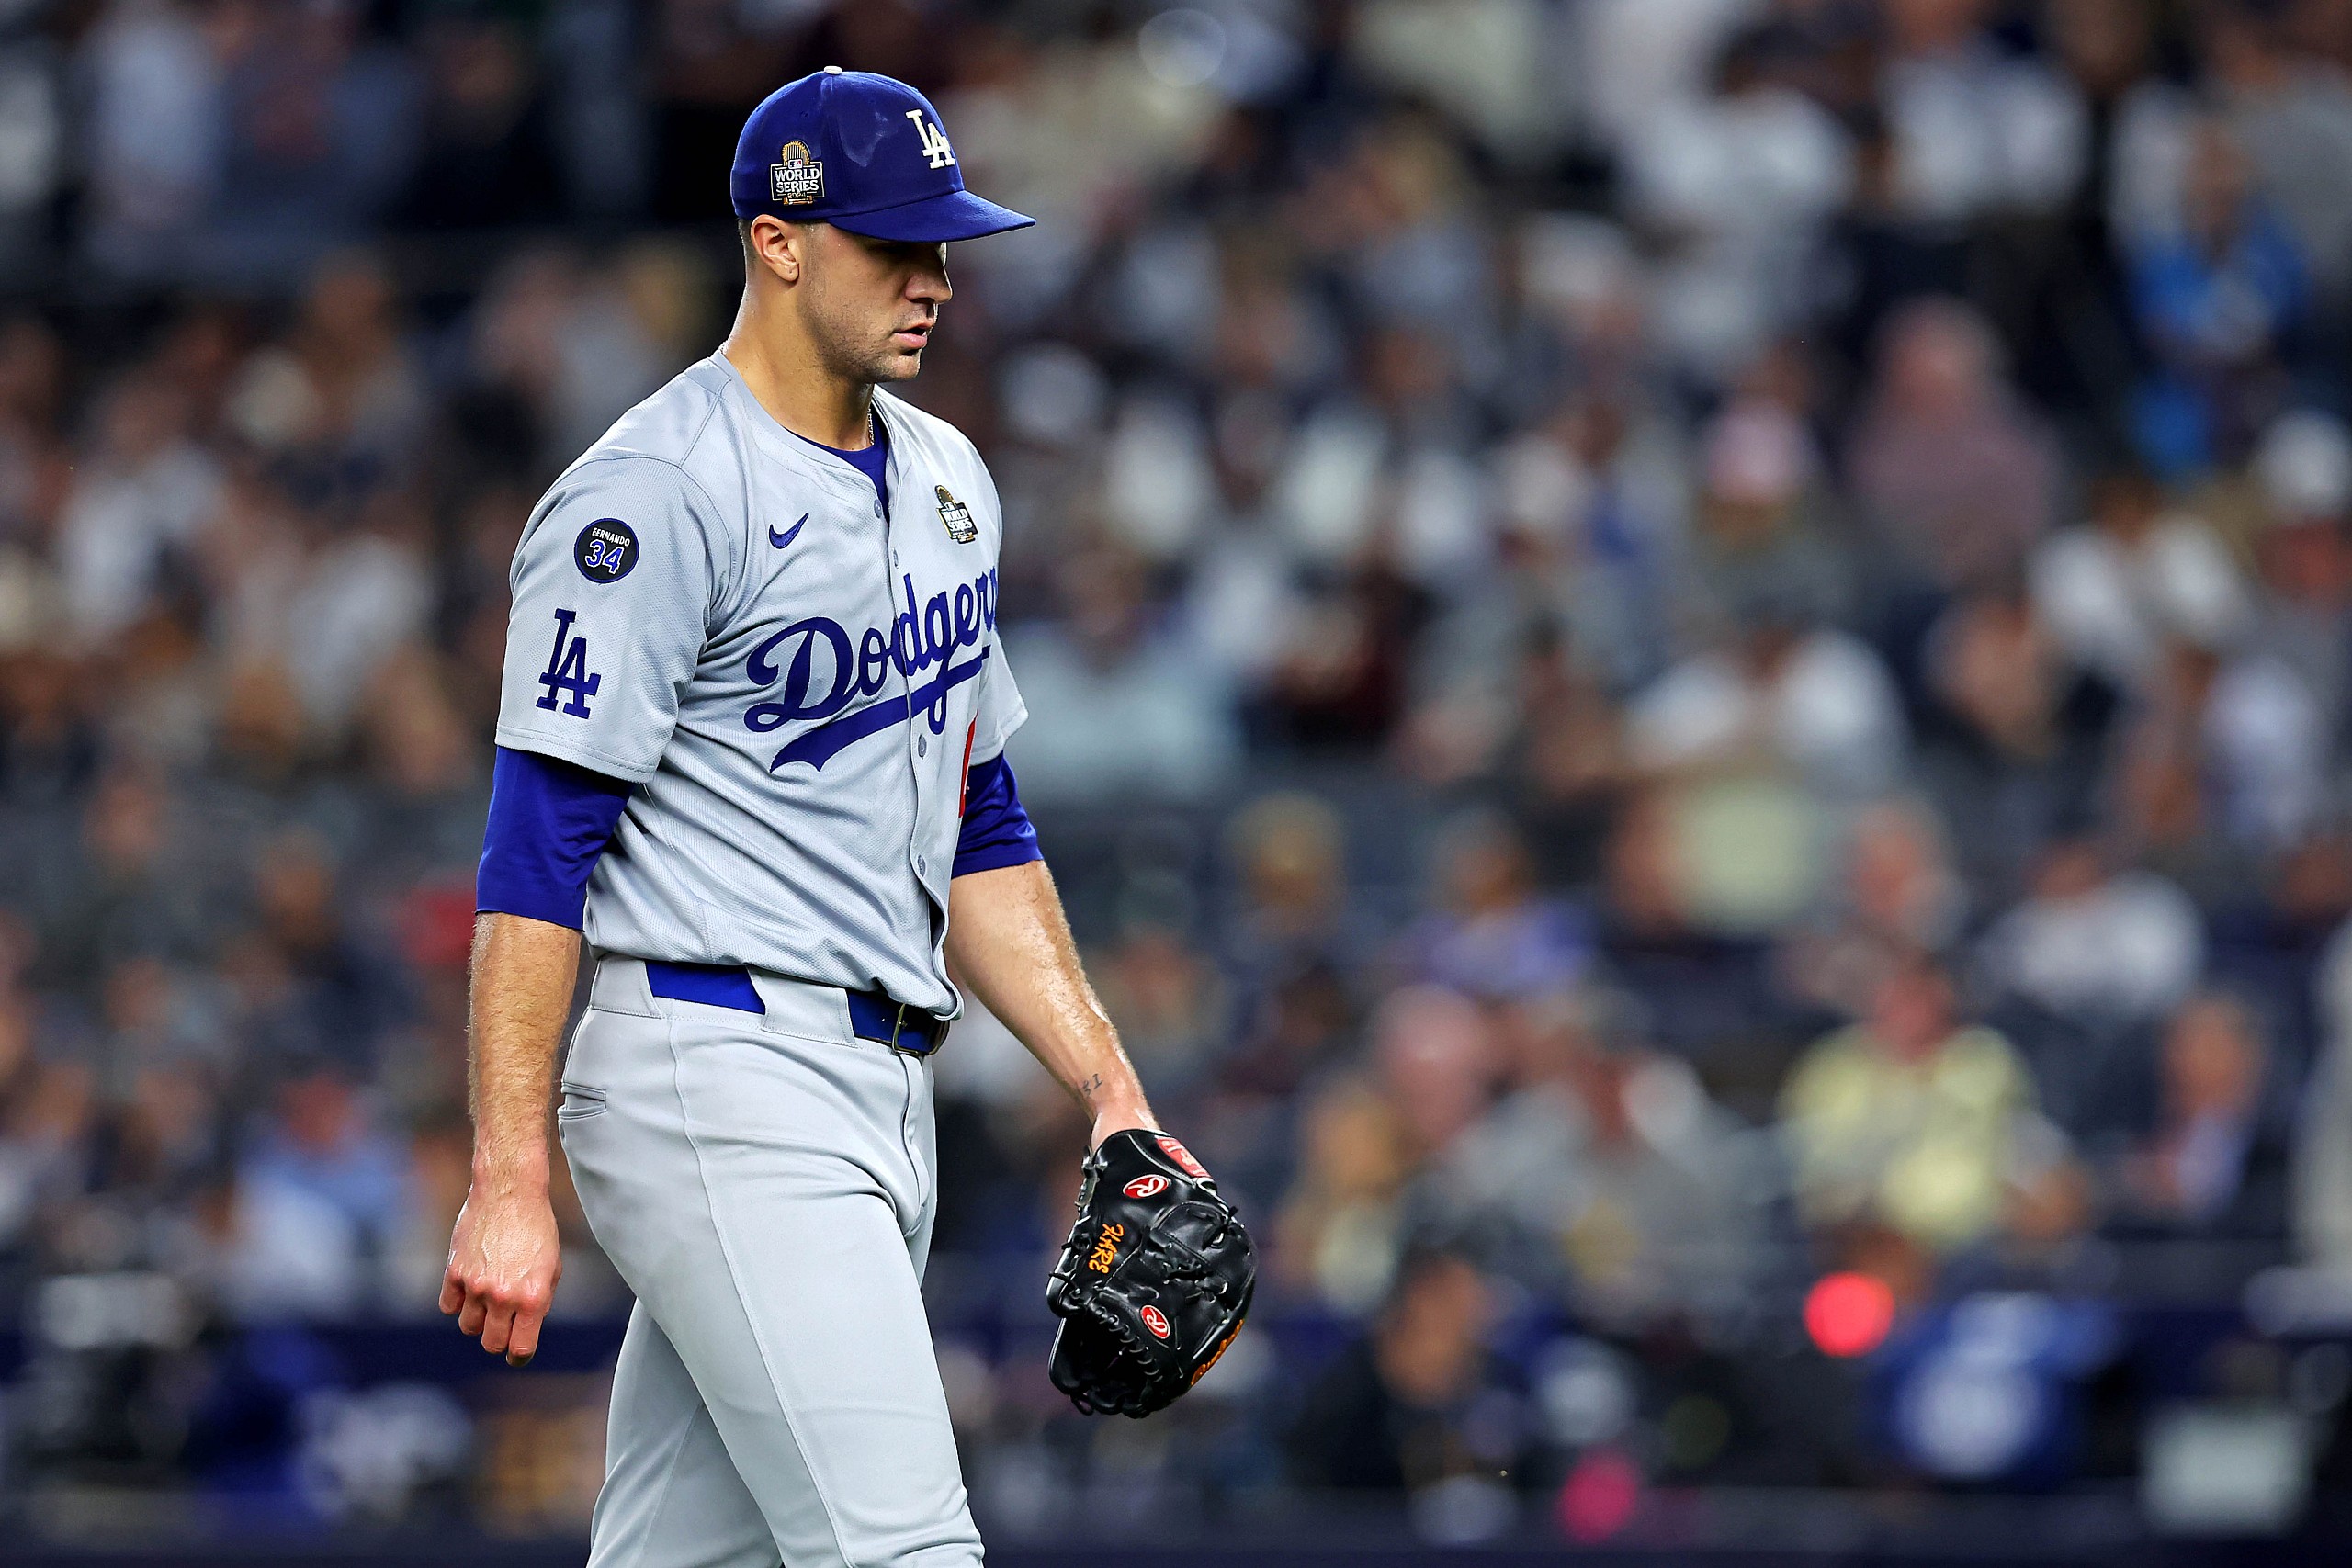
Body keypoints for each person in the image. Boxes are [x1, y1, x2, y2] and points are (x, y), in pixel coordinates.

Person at [438, 69, 1176, 1568]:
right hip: (715, 1067)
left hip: (875, 1092)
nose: (933, 280)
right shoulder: (654, 491)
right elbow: (534, 856)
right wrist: (508, 1175)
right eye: (891, 246)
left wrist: (1109, 1086)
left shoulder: (951, 478)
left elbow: (977, 818)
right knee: (908, 1553)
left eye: (943, 244)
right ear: (777, 241)